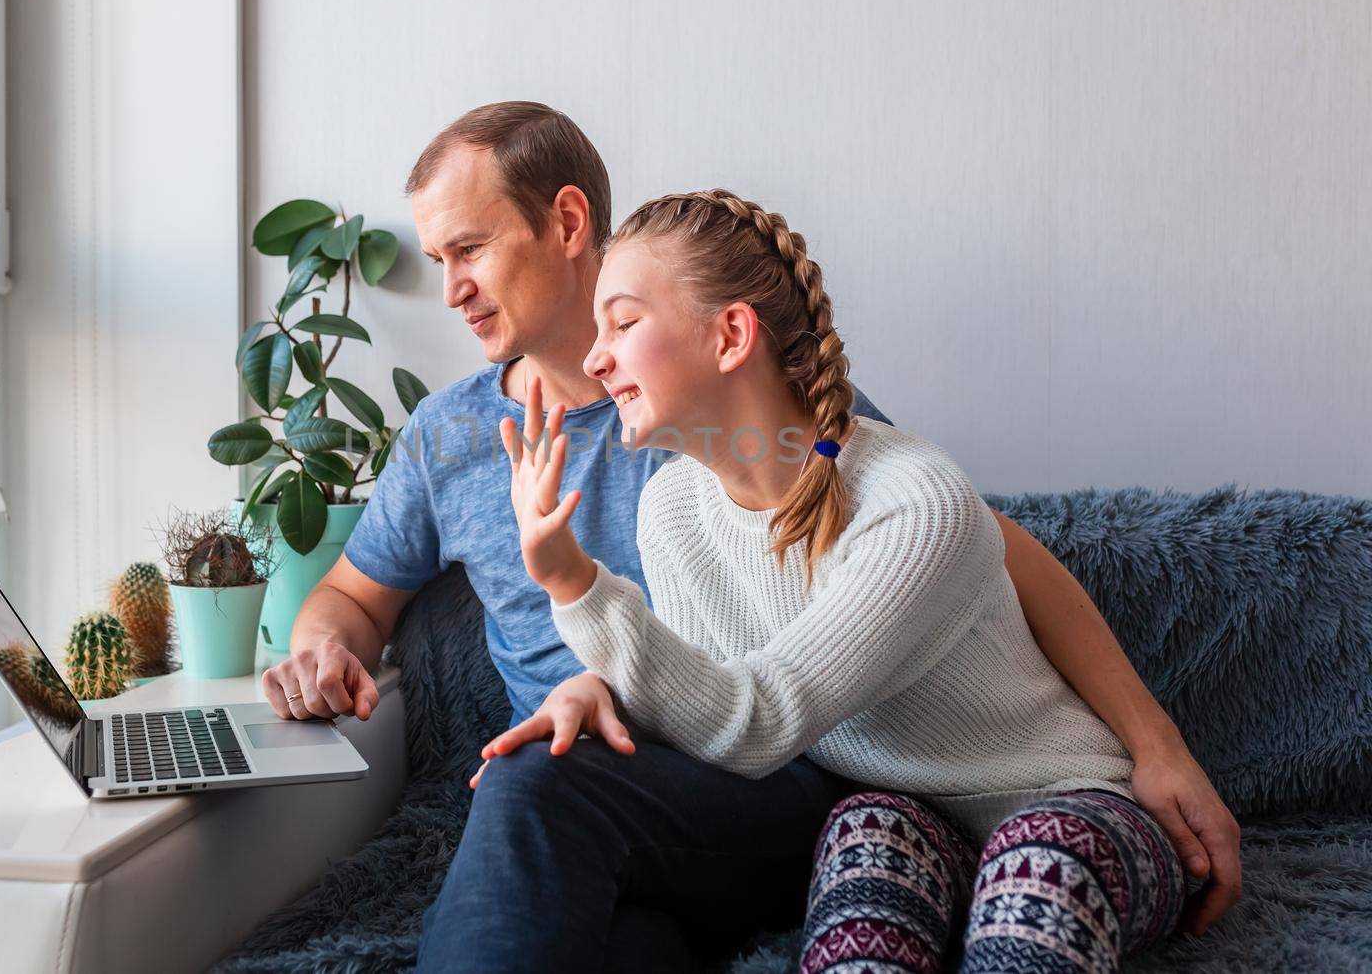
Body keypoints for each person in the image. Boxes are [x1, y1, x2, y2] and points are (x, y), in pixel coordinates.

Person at [257, 102, 1239, 971]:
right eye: (436, 261)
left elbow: (974, 543)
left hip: (772, 777)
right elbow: (348, 594)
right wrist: (320, 651)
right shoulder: (467, 439)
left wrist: (1158, 747)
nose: (451, 290)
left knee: (536, 787)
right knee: (602, 913)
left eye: (467, 249)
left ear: (565, 221)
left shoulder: (746, 409)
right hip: (611, 790)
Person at [483, 188, 1231, 972]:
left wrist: (572, 581)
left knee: (1036, 865)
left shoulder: (915, 499)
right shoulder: (670, 506)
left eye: (623, 323)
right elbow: (703, 702)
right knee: (862, 858)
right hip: (906, 814)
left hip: (1064, 800)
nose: (594, 358)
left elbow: (761, 716)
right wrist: (598, 686)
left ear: (732, 333)